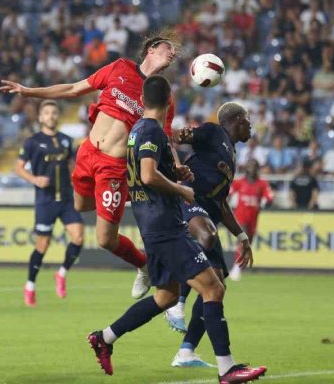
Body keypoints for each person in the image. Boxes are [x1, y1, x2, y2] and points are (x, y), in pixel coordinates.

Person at [86, 76, 266, 384]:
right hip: (166, 225)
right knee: (213, 288)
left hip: (152, 223)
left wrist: (175, 171)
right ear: (170, 101)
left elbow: (145, 174)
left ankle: (105, 337)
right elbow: (146, 175)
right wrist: (181, 189)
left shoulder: (137, 132)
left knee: (165, 296)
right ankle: (227, 368)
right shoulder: (153, 130)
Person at [0, 31, 191, 299]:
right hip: (87, 153)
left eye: (173, 54)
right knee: (79, 205)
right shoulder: (119, 68)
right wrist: (28, 91)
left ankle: (144, 265)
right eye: (167, 49)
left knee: (104, 240)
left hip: (114, 167)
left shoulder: (161, 96)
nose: (172, 54)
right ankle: (124, 197)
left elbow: (165, 138)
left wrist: (178, 166)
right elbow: (73, 88)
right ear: (151, 49)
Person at [162, 102, 254, 364]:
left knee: (218, 286)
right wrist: (181, 135)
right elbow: (184, 136)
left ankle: (186, 351)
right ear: (237, 119)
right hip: (190, 202)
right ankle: (177, 305)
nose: (251, 127)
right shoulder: (214, 132)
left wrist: (242, 237)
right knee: (207, 236)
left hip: (209, 211)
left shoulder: (231, 155)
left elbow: (223, 205)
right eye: (248, 121)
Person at [16, 101, 84, 307]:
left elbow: (73, 167)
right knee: (42, 246)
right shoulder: (32, 142)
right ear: (40, 117)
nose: (51, 116)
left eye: (54, 112)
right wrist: (35, 180)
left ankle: (61, 273)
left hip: (66, 199)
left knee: (79, 237)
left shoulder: (66, 141)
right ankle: (30, 285)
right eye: (46, 112)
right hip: (45, 201)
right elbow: (18, 168)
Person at [227, 160, 274, 281]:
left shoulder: (262, 184)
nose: (251, 169)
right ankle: (236, 267)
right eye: (249, 166)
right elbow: (229, 193)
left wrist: (267, 202)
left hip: (254, 218)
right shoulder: (239, 182)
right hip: (240, 216)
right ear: (246, 168)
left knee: (248, 243)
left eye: (254, 166)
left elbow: (269, 197)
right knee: (243, 239)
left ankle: (239, 266)